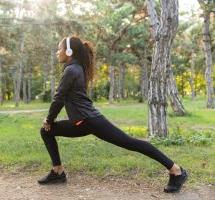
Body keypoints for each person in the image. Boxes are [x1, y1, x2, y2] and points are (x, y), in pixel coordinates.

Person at [38, 36, 188, 193]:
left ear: (69, 51)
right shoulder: (74, 68)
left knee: (131, 143)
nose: (57, 52)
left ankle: (176, 171)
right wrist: (50, 121)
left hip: (90, 121)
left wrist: (49, 119)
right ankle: (58, 171)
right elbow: (61, 98)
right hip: (81, 122)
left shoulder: (71, 70)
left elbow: (58, 98)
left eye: (59, 49)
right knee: (46, 131)